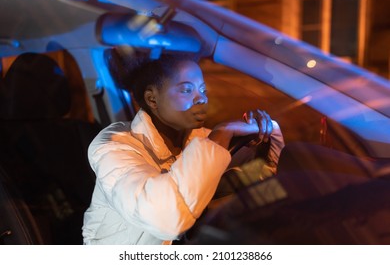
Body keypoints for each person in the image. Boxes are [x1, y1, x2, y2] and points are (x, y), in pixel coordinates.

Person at [82, 50, 284, 245]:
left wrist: (264, 138)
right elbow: (165, 219)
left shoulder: (202, 138)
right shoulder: (114, 145)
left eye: (203, 89)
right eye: (187, 90)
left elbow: (263, 180)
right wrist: (222, 133)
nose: (202, 98)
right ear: (152, 99)